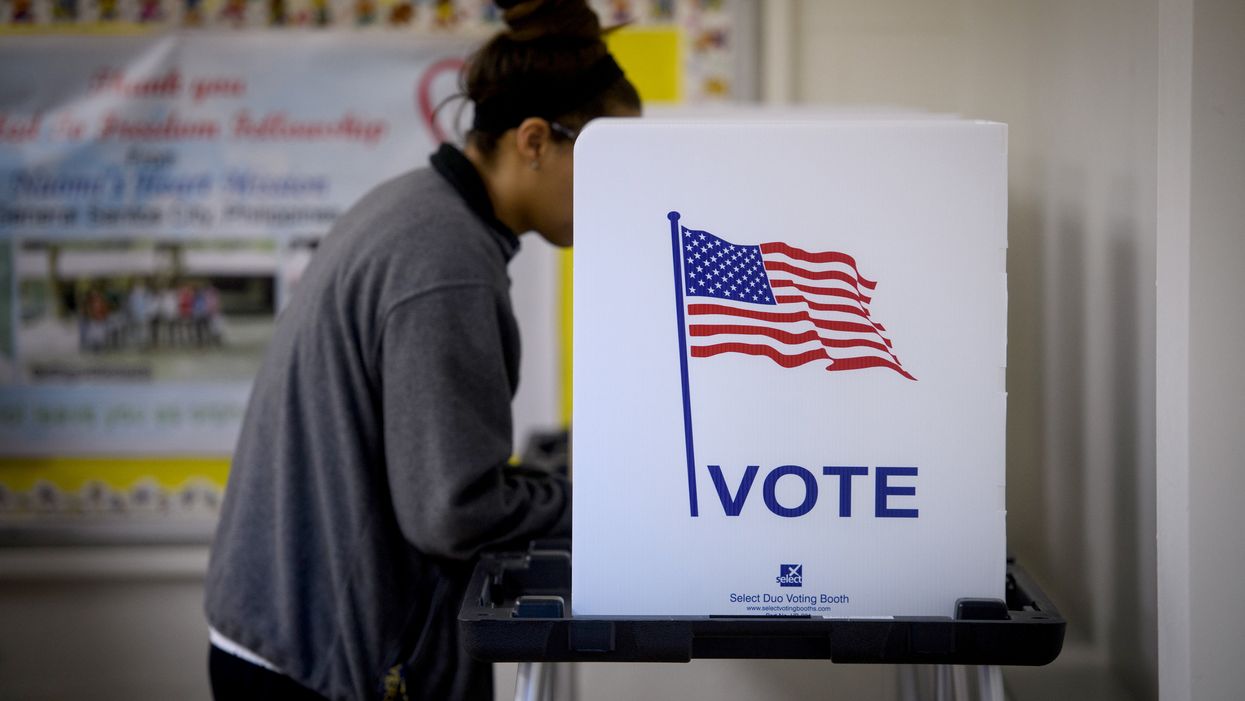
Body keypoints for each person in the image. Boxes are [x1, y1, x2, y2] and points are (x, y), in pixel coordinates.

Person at [203, 1, 641, 699]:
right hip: (315, 659)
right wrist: (603, 502)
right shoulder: (445, 259)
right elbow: (451, 510)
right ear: (534, 140)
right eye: (609, 169)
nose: (621, 199)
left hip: (273, 630)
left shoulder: (416, 207)